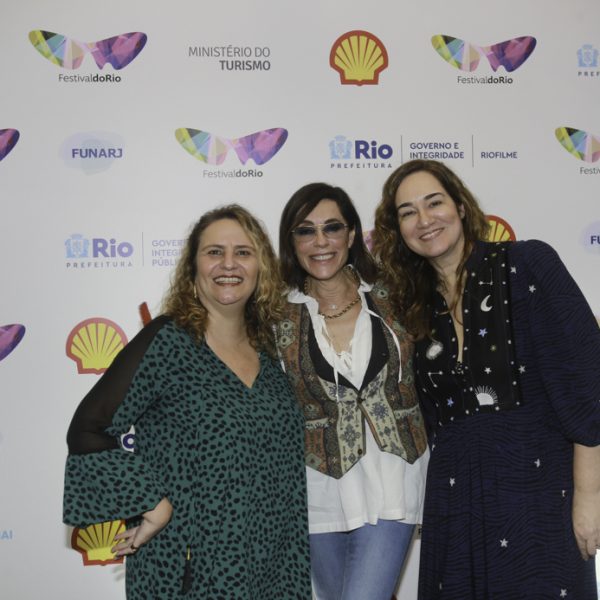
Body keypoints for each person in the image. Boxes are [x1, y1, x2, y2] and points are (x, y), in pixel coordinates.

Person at [373, 159, 600, 599]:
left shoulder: (527, 264)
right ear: (397, 229)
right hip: (455, 500)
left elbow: (586, 384)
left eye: (433, 202)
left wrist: (589, 495)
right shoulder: (413, 309)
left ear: (460, 205)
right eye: (407, 212)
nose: (424, 220)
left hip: (537, 492)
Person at [63, 205, 312, 600]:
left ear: (261, 266)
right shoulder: (168, 340)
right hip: (191, 566)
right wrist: (152, 504)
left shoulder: (269, 348)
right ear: (193, 267)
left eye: (243, 252)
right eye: (214, 252)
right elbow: (88, 429)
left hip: (272, 565)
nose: (228, 263)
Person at [276, 183, 429, 600]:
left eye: (332, 227)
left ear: (351, 234)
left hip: (394, 481)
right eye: (306, 231)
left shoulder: (396, 294)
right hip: (317, 493)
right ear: (291, 242)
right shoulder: (273, 314)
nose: (321, 241)